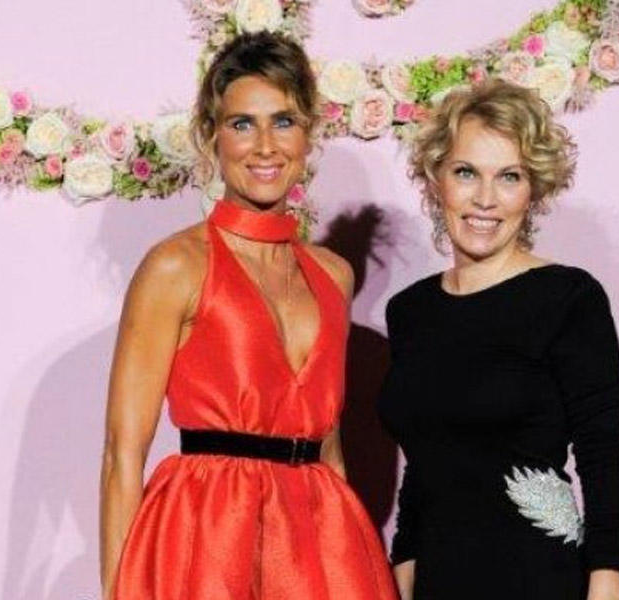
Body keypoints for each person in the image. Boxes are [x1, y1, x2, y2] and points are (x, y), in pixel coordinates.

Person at [100, 31, 397, 600]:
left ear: (307, 134)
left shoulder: (334, 276)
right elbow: (122, 455)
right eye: (242, 124)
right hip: (209, 541)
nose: (265, 146)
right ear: (212, 136)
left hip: (317, 544)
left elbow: (329, 446)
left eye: (283, 121)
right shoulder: (176, 266)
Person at [378, 80, 619, 599]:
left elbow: (602, 452)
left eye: (509, 177)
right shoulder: (410, 311)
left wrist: (608, 580)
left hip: (535, 577)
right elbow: (425, 459)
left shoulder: (568, 298)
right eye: (466, 172)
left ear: (534, 189)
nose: (485, 199)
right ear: (436, 179)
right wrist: (404, 558)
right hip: (438, 578)